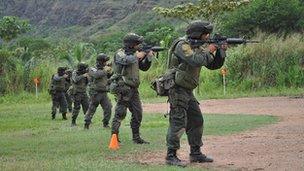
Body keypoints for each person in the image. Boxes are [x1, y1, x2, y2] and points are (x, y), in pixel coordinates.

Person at [164, 20, 227, 167]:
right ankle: (171, 155)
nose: (208, 37)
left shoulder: (199, 47)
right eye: (206, 34)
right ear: (199, 34)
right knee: (178, 122)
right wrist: (210, 49)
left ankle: (195, 153)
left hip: (187, 90)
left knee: (196, 120)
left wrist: (221, 51)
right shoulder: (182, 45)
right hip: (177, 88)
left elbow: (212, 65)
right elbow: (195, 60)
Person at [110, 33, 154, 144]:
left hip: (134, 89)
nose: (139, 45)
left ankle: (136, 138)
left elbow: (143, 68)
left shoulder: (134, 54)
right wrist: (139, 54)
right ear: (131, 44)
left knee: (138, 113)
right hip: (123, 88)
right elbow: (126, 60)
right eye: (137, 43)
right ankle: (114, 136)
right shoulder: (120, 53)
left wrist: (148, 57)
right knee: (120, 113)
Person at [84, 53, 113, 129]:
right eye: (104, 61)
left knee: (108, 107)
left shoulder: (103, 69)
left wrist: (109, 70)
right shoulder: (92, 69)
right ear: (100, 61)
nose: (105, 63)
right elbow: (96, 75)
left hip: (103, 92)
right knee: (92, 109)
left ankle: (105, 124)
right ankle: (87, 123)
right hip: (95, 93)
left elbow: (108, 77)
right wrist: (104, 70)